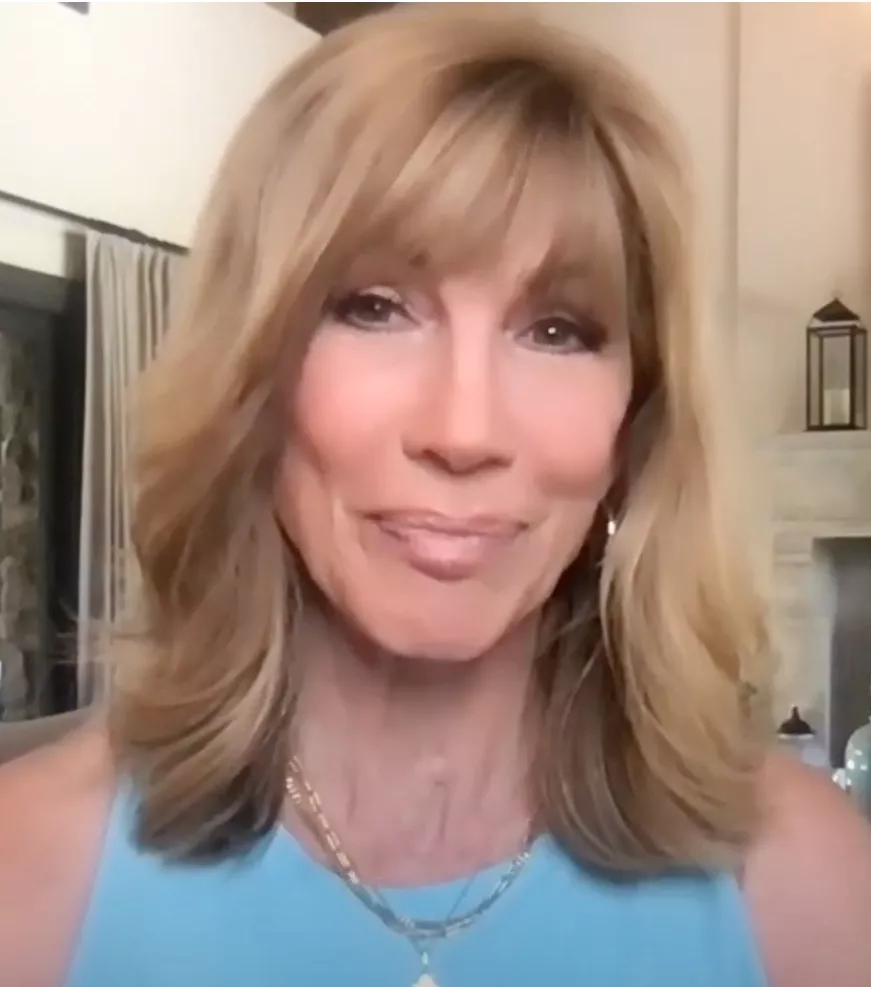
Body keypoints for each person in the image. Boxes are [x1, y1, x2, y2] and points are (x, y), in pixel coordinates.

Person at [1, 7, 869, 987]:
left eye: (557, 331)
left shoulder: (807, 887)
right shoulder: (27, 883)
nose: (464, 431)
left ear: (635, 422)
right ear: (251, 378)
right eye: (375, 308)